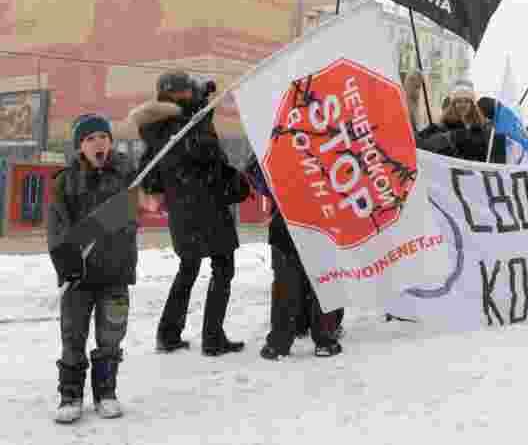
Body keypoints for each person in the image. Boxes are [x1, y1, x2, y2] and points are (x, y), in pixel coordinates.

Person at [130, 71, 251, 357]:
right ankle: (212, 338)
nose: (193, 94)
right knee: (223, 269)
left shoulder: (159, 130)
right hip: (206, 206)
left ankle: (168, 334)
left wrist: (203, 102)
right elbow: (205, 152)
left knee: (188, 269)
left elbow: (153, 177)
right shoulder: (185, 127)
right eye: (188, 90)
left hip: (182, 213)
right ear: (176, 94)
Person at [48, 114, 136, 423]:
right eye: (89, 139)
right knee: (73, 336)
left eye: (103, 136)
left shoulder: (129, 174)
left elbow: (141, 203)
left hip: (115, 272)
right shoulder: (66, 181)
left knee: (111, 335)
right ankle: (70, 395)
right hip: (79, 276)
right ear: (79, 147)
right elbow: (57, 229)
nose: (98, 143)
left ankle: (106, 393)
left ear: (110, 142)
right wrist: (66, 263)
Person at [243, 156, 344, 359]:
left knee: (285, 285)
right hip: (322, 221)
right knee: (324, 281)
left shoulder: (272, 142)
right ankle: (324, 339)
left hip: (286, 223)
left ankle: (279, 343)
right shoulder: (328, 141)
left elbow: (256, 175)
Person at [417, 82, 494, 162]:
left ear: (472, 105)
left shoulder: (482, 128)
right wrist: (449, 137)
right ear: (453, 104)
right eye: (459, 101)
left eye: (467, 101)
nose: (463, 105)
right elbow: (423, 145)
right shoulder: (440, 127)